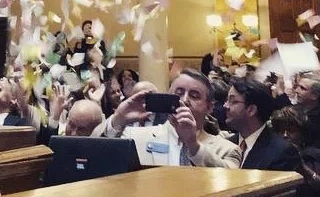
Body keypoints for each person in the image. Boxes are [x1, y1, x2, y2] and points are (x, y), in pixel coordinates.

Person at [105, 70, 241, 168]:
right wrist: (117, 120)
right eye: (178, 94)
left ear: (209, 107)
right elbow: (99, 156)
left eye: (194, 96)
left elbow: (230, 180)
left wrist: (193, 145)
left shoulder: (228, 149)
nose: (185, 100)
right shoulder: (135, 137)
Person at [223, 80, 301, 171]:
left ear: (251, 110)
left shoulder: (281, 152)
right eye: (227, 100)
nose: (225, 106)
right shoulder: (227, 144)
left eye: (233, 101)